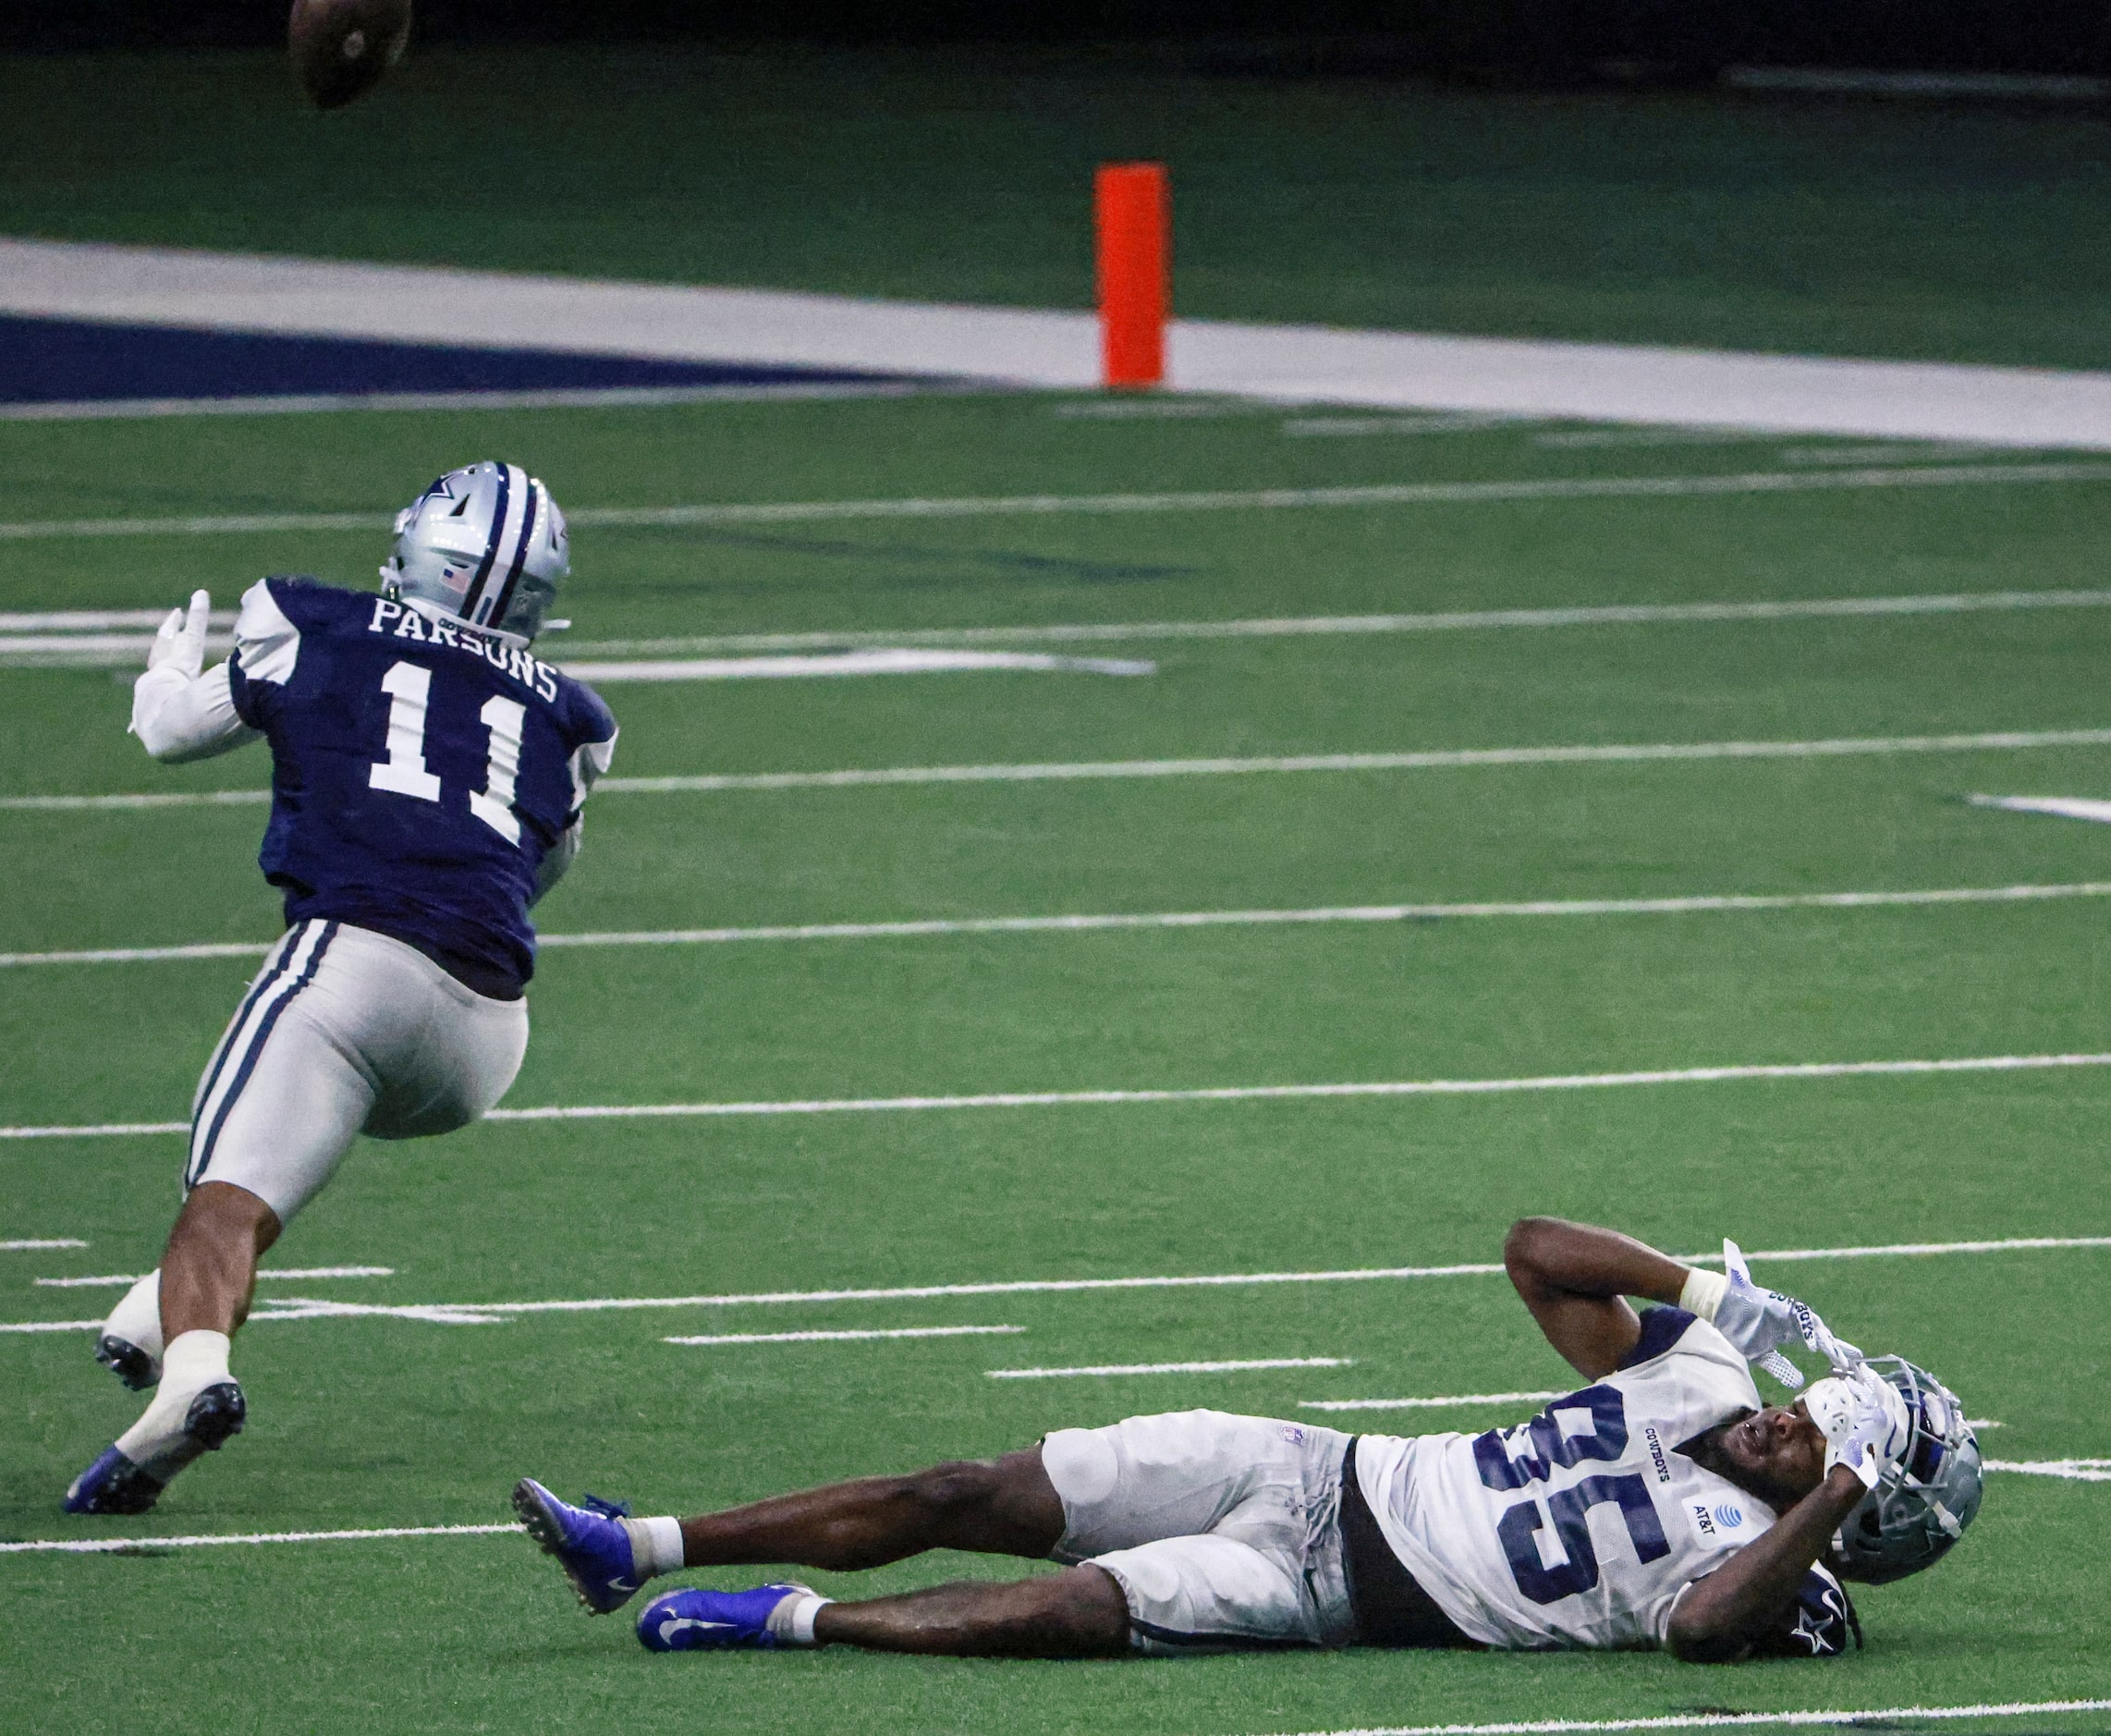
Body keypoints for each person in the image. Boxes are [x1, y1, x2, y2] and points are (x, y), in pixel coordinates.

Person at [516, 1216, 1981, 1662]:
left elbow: (1703, 1635)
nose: (1810, 1411)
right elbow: (1536, 1251)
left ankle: (792, 1621)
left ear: (1865, 1507)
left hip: (1338, 1597)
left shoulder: (1785, 1580)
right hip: (1310, 1464)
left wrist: (1840, 1477)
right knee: (970, 1486)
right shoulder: (1700, 1368)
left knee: (1079, 1611)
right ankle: (634, 1540)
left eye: (1845, 1431)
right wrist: (1701, 1284)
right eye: (1832, 1400)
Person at [66, 461, 617, 1517]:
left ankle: (193, 1375)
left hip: (352, 966)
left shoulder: (311, 619)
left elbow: (171, 732)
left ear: (420, 550)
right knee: (279, 1151)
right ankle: (157, 1334)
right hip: (485, 1034)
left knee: (224, 1198)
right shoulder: (574, 716)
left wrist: (166, 672)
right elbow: (541, 867)